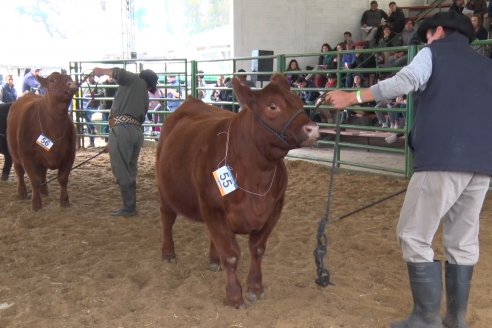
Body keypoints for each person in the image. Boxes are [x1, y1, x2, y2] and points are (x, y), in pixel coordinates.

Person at [323, 11, 491, 328]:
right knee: (463, 239)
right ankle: (456, 319)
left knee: (413, 234)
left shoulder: (433, 53)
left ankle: (426, 318)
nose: (426, 39)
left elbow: (404, 82)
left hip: (442, 158)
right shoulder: (486, 66)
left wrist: (353, 95)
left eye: (427, 34)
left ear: (439, 31)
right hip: (481, 165)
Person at [92, 67, 158, 217]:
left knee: (122, 169)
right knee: (130, 168)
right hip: (135, 132)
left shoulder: (134, 80)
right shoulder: (144, 95)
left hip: (122, 130)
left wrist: (101, 70)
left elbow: (118, 73)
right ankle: (130, 205)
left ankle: (129, 207)